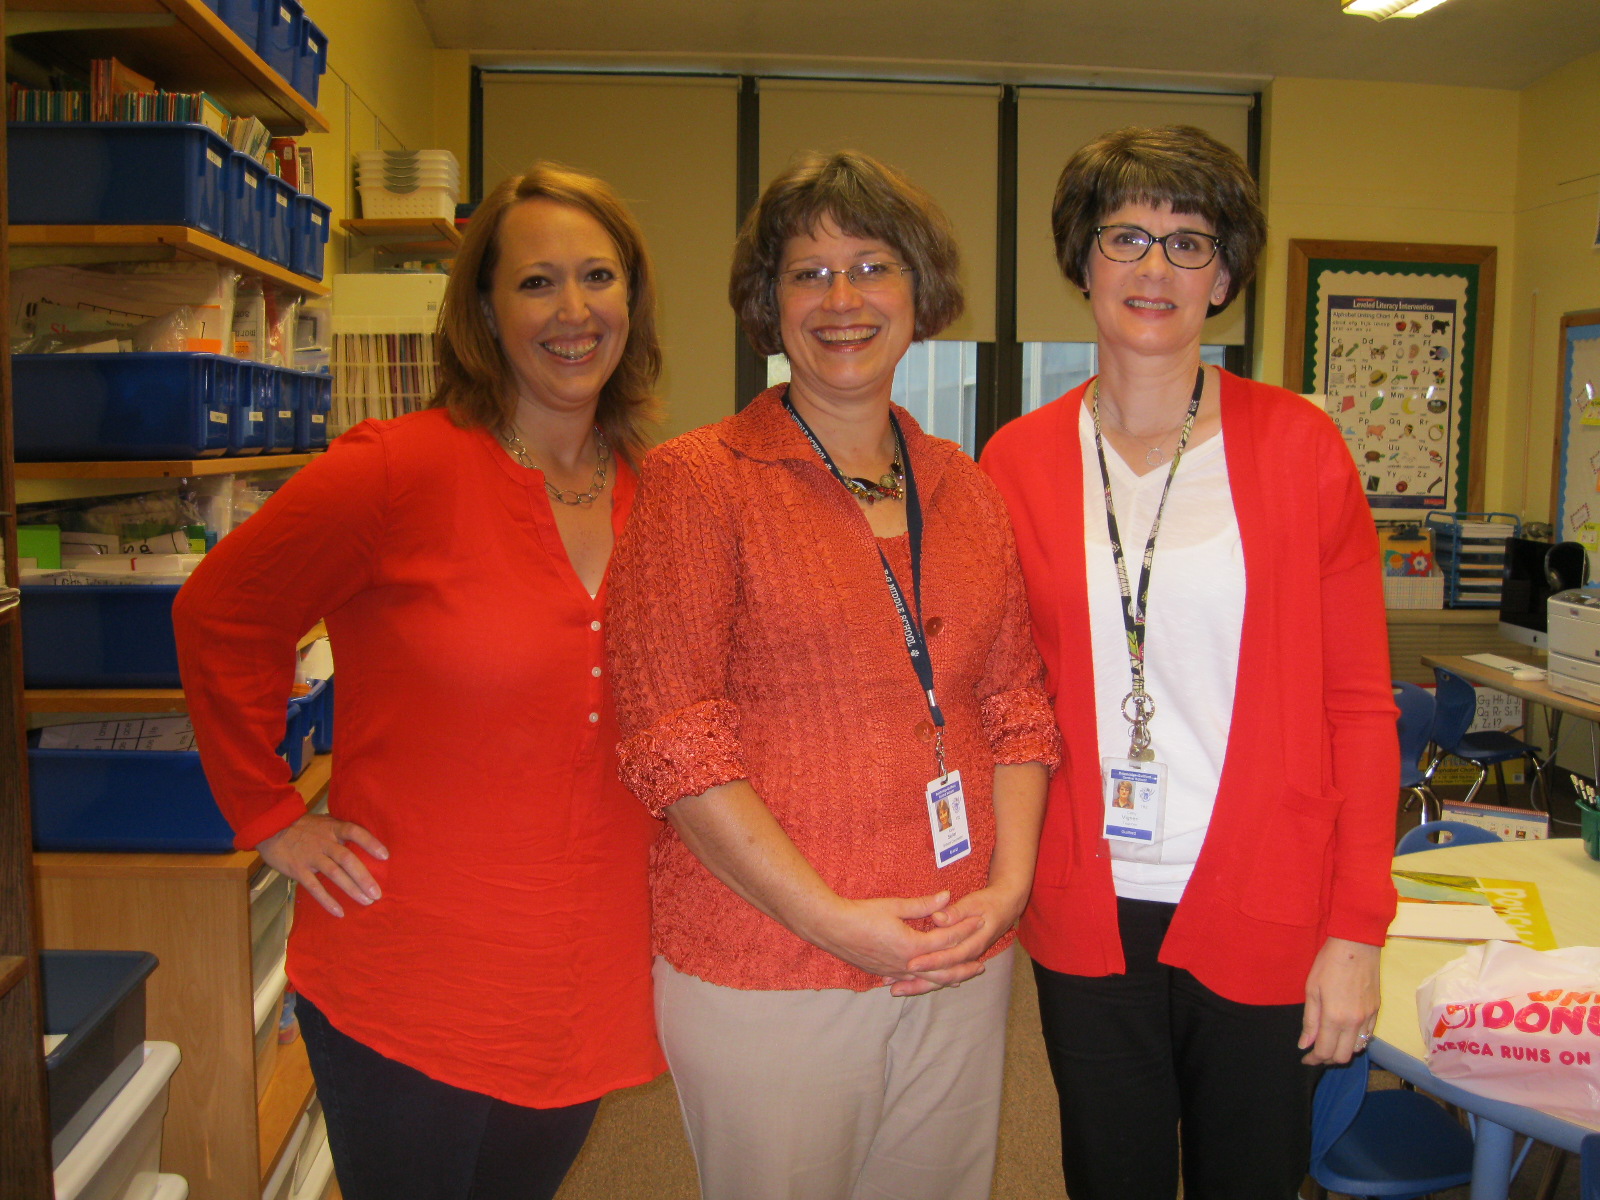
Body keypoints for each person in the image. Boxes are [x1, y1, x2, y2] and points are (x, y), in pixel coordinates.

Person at [173, 163, 666, 1200]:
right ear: (483, 310)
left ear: (632, 298)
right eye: (536, 283)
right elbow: (221, 612)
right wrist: (268, 813)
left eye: (598, 276)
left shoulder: (659, 495)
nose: (573, 311)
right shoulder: (394, 470)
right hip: (408, 977)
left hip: (580, 977)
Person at [605, 150, 1059, 1200]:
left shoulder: (967, 488)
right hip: (770, 966)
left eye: (872, 267)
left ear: (920, 293)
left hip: (958, 947)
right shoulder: (698, 484)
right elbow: (675, 745)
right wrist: (832, 918)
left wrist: (1008, 888)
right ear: (769, 304)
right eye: (809, 274)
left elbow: (1016, 706)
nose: (843, 300)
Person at [980, 125, 1399, 1200]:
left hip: (1267, 896)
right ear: (1081, 261)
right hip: (1087, 900)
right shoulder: (1016, 461)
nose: (1154, 267)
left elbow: (1357, 706)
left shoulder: (1301, 446)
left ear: (1224, 277)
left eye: (1188, 241)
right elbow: (1000, 694)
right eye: (1125, 236)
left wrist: (1356, 928)